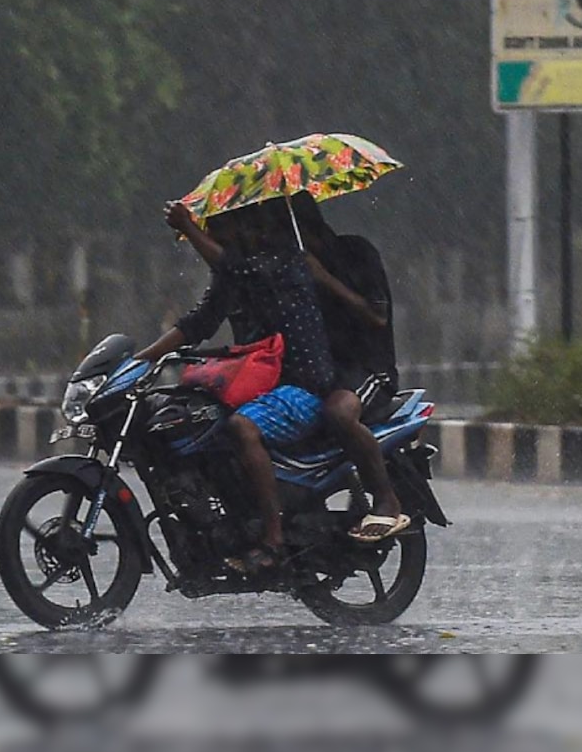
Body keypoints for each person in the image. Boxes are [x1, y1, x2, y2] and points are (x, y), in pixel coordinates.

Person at [134, 201, 335, 574]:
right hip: (258, 387)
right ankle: (229, 520)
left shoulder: (283, 262)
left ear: (247, 227)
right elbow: (200, 322)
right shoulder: (235, 274)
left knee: (243, 427)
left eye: (218, 228)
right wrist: (139, 360)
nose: (212, 234)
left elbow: (235, 268)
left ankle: (273, 541)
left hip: (301, 386)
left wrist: (188, 228)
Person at [287, 191, 408, 543]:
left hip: (367, 369)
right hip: (321, 371)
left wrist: (324, 278)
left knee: (339, 414)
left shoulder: (357, 253)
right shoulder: (290, 269)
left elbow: (376, 315)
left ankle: (386, 499)